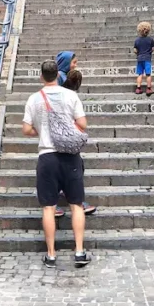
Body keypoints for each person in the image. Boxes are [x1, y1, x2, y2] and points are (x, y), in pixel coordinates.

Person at [22, 60, 92, 269]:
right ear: (58, 76)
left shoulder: (34, 99)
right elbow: (83, 124)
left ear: (41, 76)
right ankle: (79, 251)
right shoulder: (70, 95)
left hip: (47, 157)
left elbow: (26, 129)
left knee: (48, 208)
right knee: (76, 205)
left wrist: (43, 131)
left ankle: (51, 255)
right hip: (70, 156)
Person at [59, 70, 98, 218]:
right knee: (75, 168)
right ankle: (77, 203)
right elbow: (82, 123)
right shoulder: (72, 96)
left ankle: (55, 203)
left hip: (53, 138)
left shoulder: (54, 93)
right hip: (67, 139)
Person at [133, 22, 154, 96]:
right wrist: (149, 52)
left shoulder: (137, 40)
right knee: (148, 74)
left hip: (140, 58)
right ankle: (149, 89)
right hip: (147, 58)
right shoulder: (150, 40)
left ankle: (138, 88)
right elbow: (153, 48)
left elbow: (135, 50)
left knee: (140, 74)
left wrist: (138, 53)